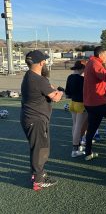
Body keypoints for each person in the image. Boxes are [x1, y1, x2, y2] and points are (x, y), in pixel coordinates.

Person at [20, 50, 63, 191]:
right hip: (36, 119)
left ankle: (38, 173)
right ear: (41, 62)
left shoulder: (29, 75)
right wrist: (60, 92)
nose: (45, 63)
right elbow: (55, 97)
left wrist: (53, 90)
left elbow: (48, 89)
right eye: (44, 60)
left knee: (37, 147)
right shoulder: (39, 80)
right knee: (41, 149)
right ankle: (38, 180)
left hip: (30, 118)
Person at [65, 60, 87, 158]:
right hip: (81, 104)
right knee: (78, 126)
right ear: (82, 68)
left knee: (75, 125)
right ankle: (75, 148)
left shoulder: (70, 77)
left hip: (72, 103)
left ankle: (76, 145)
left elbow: (67, 93)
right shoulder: (83, 79)